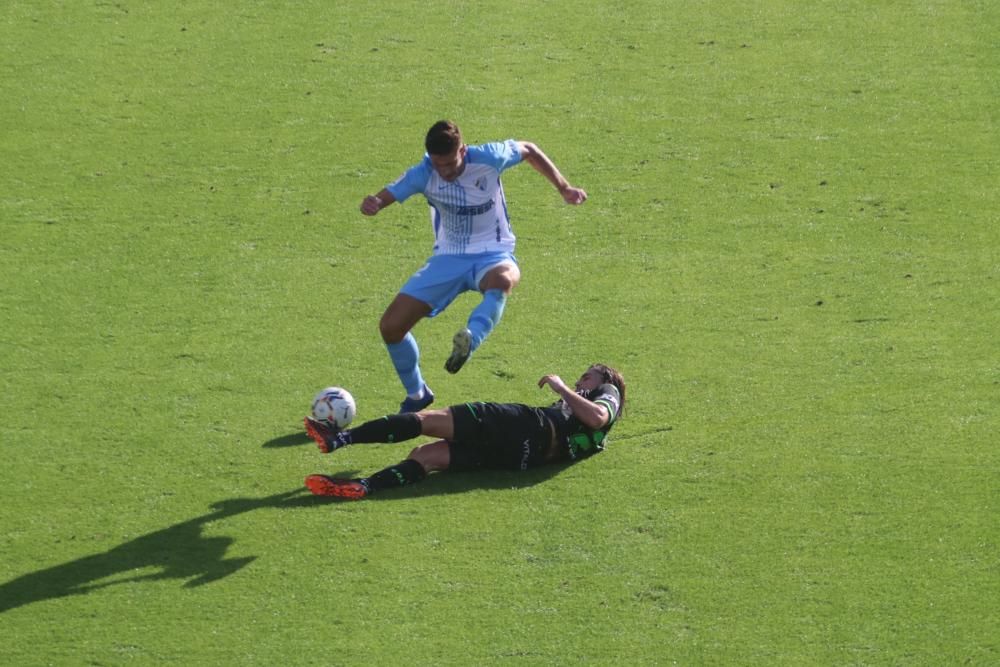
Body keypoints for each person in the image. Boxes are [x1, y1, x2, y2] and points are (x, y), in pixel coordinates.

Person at [360, 120, 588, 412]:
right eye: (437, 164)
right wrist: (374, 204)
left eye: (450, 163)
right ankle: (418, 395)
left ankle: (470, 339)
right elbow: (386, 195)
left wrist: (564, 187)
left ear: (463, 151)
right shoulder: (424, 173)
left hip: (493, 252)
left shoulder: (490, 157)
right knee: (391, 327)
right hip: (448, 258)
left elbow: (529, 149)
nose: (444, 172)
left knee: (505, 278)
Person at [302, 364, 626, 499]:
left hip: (525, 424)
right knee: (425, 457)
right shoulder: (590, 437)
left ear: (604, 379)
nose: (582, 380)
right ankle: (364, 486)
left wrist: (562, 387)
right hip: (524, 458)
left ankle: (340, 438)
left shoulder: (607, 392)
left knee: (426, 420)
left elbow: (598, 417)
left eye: (587, 377)